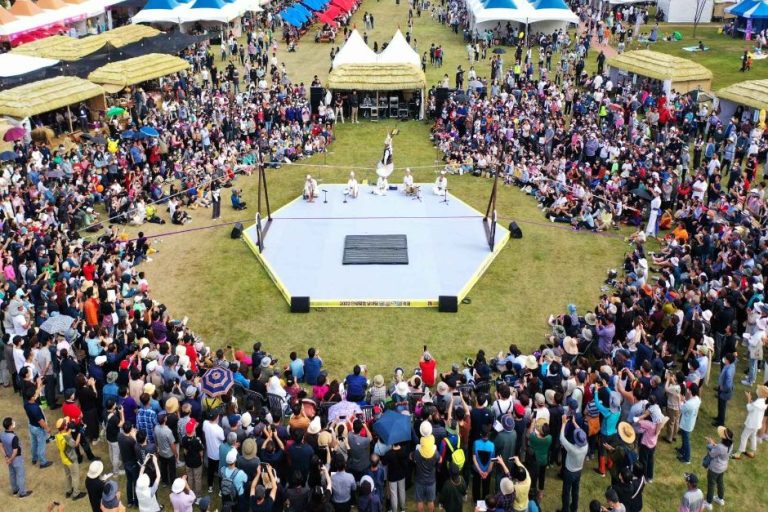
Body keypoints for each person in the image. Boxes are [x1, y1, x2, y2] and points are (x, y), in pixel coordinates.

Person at [559, 417, 588, 512]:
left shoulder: (572, 449)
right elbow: (581, 433)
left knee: (566, 492)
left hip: (569, 472)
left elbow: (562, 438)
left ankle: (565, 510)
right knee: (575, 491)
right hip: (578, 471)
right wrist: (575, 422)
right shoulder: (586, 445)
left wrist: (563, 423)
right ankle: (574, 508)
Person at [55, 416, 87, 500]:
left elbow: (65, 435)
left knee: (67, 475)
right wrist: (80, 433)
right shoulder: (67, 437)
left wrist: (69, 430)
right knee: (75, 476)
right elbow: (75, 444)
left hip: (64, 459)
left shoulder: (58, 436)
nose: (67, 424)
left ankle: (69, 491)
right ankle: (76, 493)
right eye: (66, 424)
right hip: (71, 459)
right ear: (65, 426)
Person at [732, 386, 768, 459]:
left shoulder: (758, 402)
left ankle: (739, 453)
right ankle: (752, 452)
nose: (757, 390)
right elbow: (755, 406)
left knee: (744, 436)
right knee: (753, 436)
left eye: (758, 390)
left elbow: (749, 408)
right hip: (757, 424)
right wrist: (752, 402)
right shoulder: (764, 401)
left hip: (751, 424)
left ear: (761, 393)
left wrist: (748, 399)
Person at [1, 416, 31, 498]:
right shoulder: (14, 437)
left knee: (12, 474)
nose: (14, 422)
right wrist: (10, 459)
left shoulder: (2, 434)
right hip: (16, 459)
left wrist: (6, 457)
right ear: (10, 426)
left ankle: (15, 490)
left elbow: (1, 445)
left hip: (9, 458)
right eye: (12, 422)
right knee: (20, 475)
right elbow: (15, 451)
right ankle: (22, 493)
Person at [703, 426, 733, 509]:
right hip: (723, 467)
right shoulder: (730, 445)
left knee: (711, 484)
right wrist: (714, 443)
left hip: (714, 469)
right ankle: (720, 499)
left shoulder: (720, 447)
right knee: (720, 482)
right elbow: (719, 449)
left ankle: (708, 503)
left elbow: (712, 453)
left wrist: (709, 443)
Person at [413, 432, 439, 512]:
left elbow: (411, 457)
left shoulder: (417, 452)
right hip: (431, 481)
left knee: (420, 500)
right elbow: (440, 460)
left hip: (419, 480)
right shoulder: (435, 454)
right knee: (430, 501)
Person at [678, 384, 701, 464]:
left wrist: (680, 401)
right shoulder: (697, 399)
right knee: (684, 438)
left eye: (689, 389)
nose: (687, 390)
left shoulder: (689, 404)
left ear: (690, 391)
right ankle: (682, 450)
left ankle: (687, 458)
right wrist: (684, 401)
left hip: (686, 424)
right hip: (691, 422)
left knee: (686, 440)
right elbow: (688, 405)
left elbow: (681, 408)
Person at [713, 353, 736, 427]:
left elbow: (728, 383)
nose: (724, 359)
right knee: (720, 404)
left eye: (725, 359)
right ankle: (719, 417)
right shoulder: (731, 365)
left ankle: (721, 422)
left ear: (728, 360)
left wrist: (724, 388)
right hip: (722, 388)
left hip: (724, 391)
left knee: (722, 406)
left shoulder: (729, 370)